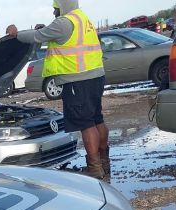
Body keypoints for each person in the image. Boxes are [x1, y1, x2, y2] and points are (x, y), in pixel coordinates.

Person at [6, 0, 109, 180]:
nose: (54, 12)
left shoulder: (63, 22)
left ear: (62, 6)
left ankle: (94, 167)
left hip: (78, 79)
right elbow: (59, 36)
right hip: (95, 76)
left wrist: (16, 34)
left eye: (55, 8)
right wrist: (45, 28)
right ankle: (104, 162)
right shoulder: (82, 19)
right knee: (96, 118)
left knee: (86, 123)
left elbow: (37, 36)